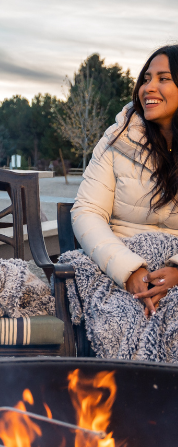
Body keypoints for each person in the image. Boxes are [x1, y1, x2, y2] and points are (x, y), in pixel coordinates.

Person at [72, 45, 178, 318]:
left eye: (163, 78)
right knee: (122, 317)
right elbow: (87, 211)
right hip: (120, 262)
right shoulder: (116, 139)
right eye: (146, 79)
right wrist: (129, 269)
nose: (148, 88)